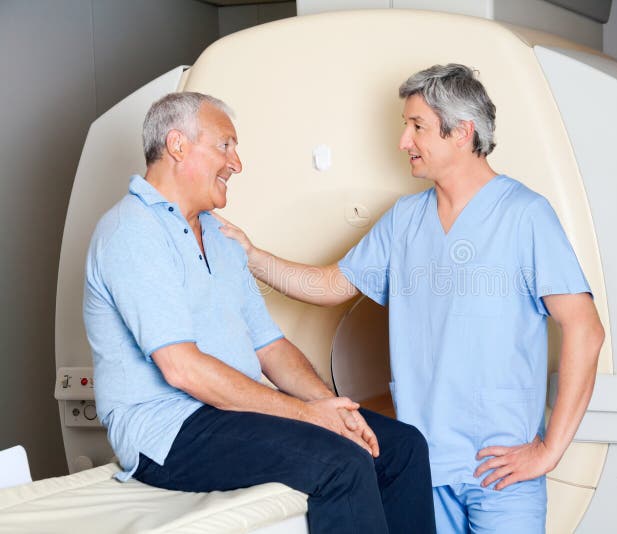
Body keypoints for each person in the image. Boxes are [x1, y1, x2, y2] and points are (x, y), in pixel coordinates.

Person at [217, 64, 605, 533]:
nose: (404, 141)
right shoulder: (405, 220)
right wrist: (252, 255)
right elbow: (331, 287)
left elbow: (586, 328)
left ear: (462, 132)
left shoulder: (525, 216)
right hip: (424, 466)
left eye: (417, 126)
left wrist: (549, 450)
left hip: (501, 469)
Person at [83, 91, 436, 534]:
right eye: (225, 145)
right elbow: (182, 370)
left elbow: (270, 346)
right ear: (178, 146)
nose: (237, 162)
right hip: (167, 433)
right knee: (341, 463)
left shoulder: (219, 237)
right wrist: (306, 415)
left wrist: (330, 406)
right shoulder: (131, 232)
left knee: (400, 447)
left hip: (231, 415)